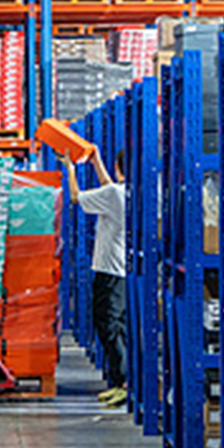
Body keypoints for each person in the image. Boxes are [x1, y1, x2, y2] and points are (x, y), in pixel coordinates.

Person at [65, 149, 132, 408]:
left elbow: (75, 197)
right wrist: (96, 161)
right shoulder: (127, 193)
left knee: (107, 326)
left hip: (109, 270)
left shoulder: (115, 194)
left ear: (118, 167)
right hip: (124, 271)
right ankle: (121, 382)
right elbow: (109, 188)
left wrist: (71, 169)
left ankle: (122, 383)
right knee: (119, 327)